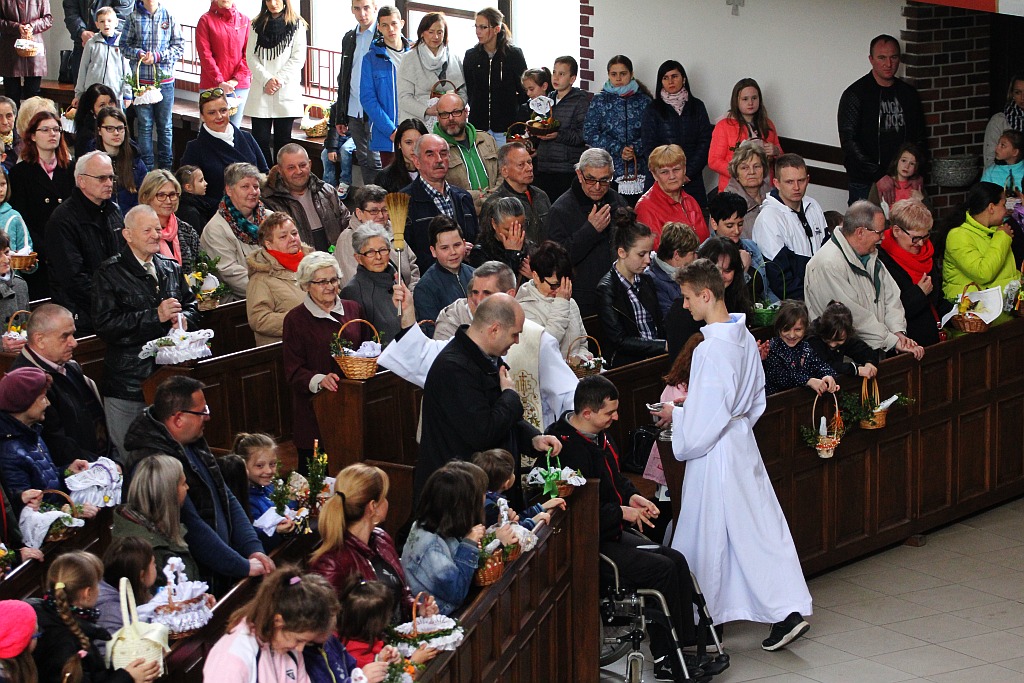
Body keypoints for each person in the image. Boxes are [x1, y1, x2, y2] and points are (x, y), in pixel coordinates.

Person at [654, 259, 812, 651]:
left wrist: (680, 415)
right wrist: (729, 421)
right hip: (741, 442)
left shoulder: (710, 350)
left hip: (716, 454)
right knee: (756, 530)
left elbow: (706, 419)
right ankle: (782, 611)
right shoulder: (742, 336)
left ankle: (705, 625)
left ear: (706, 295)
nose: (685, 306)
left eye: (689, 298)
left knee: (707, 536)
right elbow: (755, 399)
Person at [549, 375, 699, 681]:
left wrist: (632, 496)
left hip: (613, 530)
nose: (616, 418)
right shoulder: (564, 447)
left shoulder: (600, 436)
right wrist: (622, 512)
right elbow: (578, 509)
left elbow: (615, 478)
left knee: (676, 559)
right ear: (587, 413)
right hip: (592, 543)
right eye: (610, 412)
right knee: (661, 570)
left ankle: (686, 647)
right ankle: (665, 659)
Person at [383, 261, 576, 435]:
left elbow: (567, 395)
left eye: (487, 294)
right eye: (474, 293)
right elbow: (420, 355)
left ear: (509, 295)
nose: (477, 301)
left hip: (522, 454)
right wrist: (408, 313)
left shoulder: (537, 340)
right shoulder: (462, 342)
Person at [122, 376, 274, 592]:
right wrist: (241, 565)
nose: (208, 416)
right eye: (202, 411)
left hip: (222, 568)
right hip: (193, 581)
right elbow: (190, 526)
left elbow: (225, 495)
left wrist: (252, 548)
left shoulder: (191, 439)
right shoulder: (153, 461)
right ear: (178, 419)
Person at [417, 293, 561, 497]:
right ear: (494, 329)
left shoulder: (487, 358)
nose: (517, 341)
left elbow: (505, 419)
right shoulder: (454, 369)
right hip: (459, 495)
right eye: (514, 334)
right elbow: (483, 432)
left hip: (486, 486)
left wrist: (533, 438)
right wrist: (510, 395)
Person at [93, 204, 199, 459]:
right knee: (134, 458)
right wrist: (156, 316)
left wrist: (183, 318)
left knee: (175, 457)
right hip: (129, 383)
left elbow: (193, 306)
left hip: (169, 381)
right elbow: (106, 326)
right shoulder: (109, 274)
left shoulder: (170, 267)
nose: (156, 235)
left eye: (158, 229)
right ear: (127, 235)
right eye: (148, 230)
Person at [310, 463, 436, 622]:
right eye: (384, 497)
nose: (387, 502)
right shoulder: (331, 563)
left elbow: (401, 594)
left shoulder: (381, 538)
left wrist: (417, 609)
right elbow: (325, 626)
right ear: (372, 506)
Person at [282, 252, 369, 473]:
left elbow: (368, 346)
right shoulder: (295, 320)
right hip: (316, 413)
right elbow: (293, 370)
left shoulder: (353, 309)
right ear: (306, 285)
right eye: (321, 282)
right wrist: (320, 380)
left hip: (352, 407)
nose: (329, 286)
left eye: (333, 280)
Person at [805, 200, 923, 359]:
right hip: (843, 362)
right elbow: (853, 317)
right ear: (860, 232)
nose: (882, 238)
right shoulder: (827, 264)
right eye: (879, 232)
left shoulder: (871, 256)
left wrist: (898, 332)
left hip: (875, 353)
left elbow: (891, 297)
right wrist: (891, 341)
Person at [31, 551, 161, 683]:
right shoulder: (65, 643)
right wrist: (128, 677)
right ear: (87, 593)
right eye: (98, 584)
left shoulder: (44, 616)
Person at [402, 461, 515, 613]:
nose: (485, 498)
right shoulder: (430, 544)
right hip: (444, 618)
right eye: (482, 493)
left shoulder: (443, 524)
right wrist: (470, 544)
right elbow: (457, 592)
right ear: (463, 506)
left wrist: (496, 534)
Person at [9, 303, 112, 468]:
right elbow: (55, 443)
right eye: (65, 336)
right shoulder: (27, 382)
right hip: (75, 473)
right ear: (40, 340)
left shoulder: (68, 366)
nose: (74, 343)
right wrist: (100, 465)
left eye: (73, 335)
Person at [203, 567, 338, 682]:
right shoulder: (232, 660)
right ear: (278, 622)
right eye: (299, 640)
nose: (300, 649)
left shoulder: (287, 645)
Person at [838, 34, 927, 205]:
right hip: (866, 181)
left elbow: (920, 138)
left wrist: (917, 172)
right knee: (865, 228)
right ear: (871, 59)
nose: (888, 64)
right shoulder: (855, 94)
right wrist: (878, 174)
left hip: (905, 178)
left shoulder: (908, 94)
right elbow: (849, 140)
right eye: (882, 58)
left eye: (893, 57)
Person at [47, 150, 125, 335]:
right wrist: (110, 300)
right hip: (82, 315)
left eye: (111, 178)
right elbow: (73, 278)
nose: (109, 183)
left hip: (115, 309)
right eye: (101, 178)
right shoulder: (62, 220)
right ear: (81, 181)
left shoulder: (113, 211)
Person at [0, 366, 96, 514]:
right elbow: (27, 509)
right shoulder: (9, 452)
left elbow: (44, 480)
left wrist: (67, 471)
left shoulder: (31, 431)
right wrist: (70, 512)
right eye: (42, 398)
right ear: (24, 403)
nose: (48, 403)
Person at [546, 147, 628, 317]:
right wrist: (590, 231)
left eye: (605, 180)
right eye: (591, 179)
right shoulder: (560, 210)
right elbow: (555, 261)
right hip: (583, 301)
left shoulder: (617, 200)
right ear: (579, 175)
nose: (598, 187)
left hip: (619, 293)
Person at [8, 109, 73, 299]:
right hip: (39, 253)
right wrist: (45, 248)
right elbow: (22, 217)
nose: (52, 134)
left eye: (56, 129)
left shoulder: (70, 169)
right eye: (45, 130)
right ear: (33, 136)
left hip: (67, 248)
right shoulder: (20, 173)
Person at [111, 456, 201, 584]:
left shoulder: (161, 530)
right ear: (169, 493)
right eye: (183, 483)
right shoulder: (142, 551)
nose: (187, 487)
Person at [751, 154, 828, 301]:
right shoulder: (768, 218)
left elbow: (828, 255)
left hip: (821, 295)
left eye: (801, 180)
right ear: (777, 183)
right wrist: (813, 301)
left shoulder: (813, 206)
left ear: (808, 180)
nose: (796, 187)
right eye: (789, 182)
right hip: (791, 304)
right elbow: (780, 281)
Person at [596, 209, 666, 368]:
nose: (648, 260)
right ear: (622, 252)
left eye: (649, 253)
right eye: (641, 254)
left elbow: (659, 323)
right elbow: (619, 341)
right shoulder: (607, 289)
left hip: (657, 357)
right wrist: (663, 346)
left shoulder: (646, 280)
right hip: (629, 365)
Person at [877, 198, 952, 346]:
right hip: (905, 345)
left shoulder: (927, 254)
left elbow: (937, 300)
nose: (921, 243)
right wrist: (919, 293)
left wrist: (956, 314)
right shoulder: (882, 260)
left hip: (933, 340)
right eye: (916, 238)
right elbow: (886, 311)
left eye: (925, 236)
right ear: (897, 231)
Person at [639, 59, 713, 208]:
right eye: (665, 78)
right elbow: (649, 146)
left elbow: (705, 142)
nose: (670, 81)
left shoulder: (697, 106)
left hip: (691, 179)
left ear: (683, 79)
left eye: (674, 76)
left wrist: (686, 173)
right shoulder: (652, 109)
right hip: (660, 179)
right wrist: (667, 174)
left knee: (694, 225)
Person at [120, 0, 182, 170]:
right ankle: (146, 170)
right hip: (141, 83)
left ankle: (166, 169)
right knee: (145, 126)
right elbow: (124, 45)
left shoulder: (169, 17)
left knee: (165, 126)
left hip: (165, 82)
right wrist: (138, 53)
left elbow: (179, 47)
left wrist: (158, 56)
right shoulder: (133, 17)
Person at [402, 133, 479, 270]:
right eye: (430, 154)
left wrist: (471, 253)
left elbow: (478, 242)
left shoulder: (463, 198)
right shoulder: (404, 202)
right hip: (428, 283)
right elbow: (406, 256)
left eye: (443, 153)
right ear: (416, 161)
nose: (439, 160)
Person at [244, 0, 307, 166]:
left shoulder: (297, 24)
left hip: (285, 90)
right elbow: (250, 56)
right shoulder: (256, 24)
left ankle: (283, 181)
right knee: (260, 140)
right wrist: (266, 79)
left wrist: (277, 80)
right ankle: (266, 179)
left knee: (283, 142)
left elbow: (298, 58)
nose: (273, 3)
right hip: (261, 88)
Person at [181, 87, 269, 202]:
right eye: (212, 113)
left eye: (223, 110)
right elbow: (189, 191)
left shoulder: (247, 138)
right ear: (202, 116)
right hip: (218, 211)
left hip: (255, 205)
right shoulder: (195, 148)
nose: (219, 116)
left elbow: (264, 173)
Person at [583, 55, 653, 198]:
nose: (618, 78)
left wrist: (634, 149)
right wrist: (618, 148)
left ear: (631, 74)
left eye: (623, 74)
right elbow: (589, 132)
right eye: (614, 74)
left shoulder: (645, 101)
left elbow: (652, 132)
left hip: (640, 168)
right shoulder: (599, 100)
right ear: (608, 75)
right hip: (607, 168)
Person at [262, 144, 350, 253]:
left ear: (310, 164)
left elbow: (347, 225)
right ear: (280, 170)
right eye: (291, 167)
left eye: (302, 165)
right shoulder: (268, 201)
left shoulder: (328, 191)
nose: (298, 171)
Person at [200, 162, 268, 300]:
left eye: (256, 186)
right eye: (245, 186)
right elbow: (230, 274)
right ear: (229, 190)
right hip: (241, 303)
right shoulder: (216, 229)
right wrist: (273, 289)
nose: (253, 192)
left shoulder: (271, 219)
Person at [335, 579, 432, 674]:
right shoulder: (358, 658)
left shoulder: (360, 636)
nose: (390, 616)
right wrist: (414, 662)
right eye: (387, 613)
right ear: (375, 623)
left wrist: (381, 658)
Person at [942, 181, 1017, 300]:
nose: (1006, 211)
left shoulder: (994, 232)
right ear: (991, 207)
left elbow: (1005, 273)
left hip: (1001, 311)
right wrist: (1002, 237)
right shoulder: (958, 236)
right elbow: (983, 274)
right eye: (1003, 205)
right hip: (974, 312)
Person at [246, 212, 312, 345]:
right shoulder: (260, 279)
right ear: (269, 244)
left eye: (294, 233)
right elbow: (259, 320)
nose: (292, 238)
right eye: (283, 236)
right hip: (286, 350)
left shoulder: (314, 264)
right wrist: (302, 320)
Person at [334, 184, 419, 288]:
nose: (381, 216)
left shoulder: (392, 227)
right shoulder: (347, 240)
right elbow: (355, 285)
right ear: (359, 213)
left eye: (384, 209)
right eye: (373, 211)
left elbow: (412, 266)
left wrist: (412, 294)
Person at [463, 7, 526, 145]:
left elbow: (524, 90)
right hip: (479, 126)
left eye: (483, 27)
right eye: (476, 26)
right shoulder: (471, 56)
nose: (478, 31)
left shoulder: (513, 55)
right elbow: (469, 89)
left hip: (506, 128)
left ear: (497, 29)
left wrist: (519, 121)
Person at [709, 78, 783, 193]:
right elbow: (714, 161)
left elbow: (782, 158)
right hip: (732, 190)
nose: (750, 103)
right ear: (736, 101)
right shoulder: (724, 126)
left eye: (754, 98)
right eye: (745, 99)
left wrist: (776, 152)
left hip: (764, 189)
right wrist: (740, 173)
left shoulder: (768, 124)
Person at [336, 0, 382, 184]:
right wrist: (340, 115)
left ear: (375, 8)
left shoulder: (382, 35)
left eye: (366, 8)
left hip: (376, 108)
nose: (362, 13)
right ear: (352, 9)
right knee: (363, 157)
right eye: (357, 8)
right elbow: (343, 77)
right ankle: (372, 200)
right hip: (353, 107)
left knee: (377, 158)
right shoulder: (349, 37)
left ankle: (384, 202)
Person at [359, 5, 410, 169]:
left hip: (415, 132)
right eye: (385, 25)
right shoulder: (370, 58)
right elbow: (368, 99)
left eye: (394, 24)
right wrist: (391, 131)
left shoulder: (415, 53)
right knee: (394, 189)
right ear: (379, 27)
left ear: (402, 23)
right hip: (387, 137)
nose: (391, 29)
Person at [515, 240, 586, 357]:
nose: (560, 290)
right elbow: (544, 347)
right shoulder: (523, 309)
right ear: (536, 276)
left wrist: (583, 360)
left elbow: (582, 343)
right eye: (554, 285)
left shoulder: (570, 302)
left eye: (564, 284)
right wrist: (561, 304)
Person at [532, 56, 588, 203]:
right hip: (544, 166)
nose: (556, 77)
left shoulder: (580, 101)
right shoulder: (547, 100)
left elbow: (583, 135)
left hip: (565, 168)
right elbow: (539, 124)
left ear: (572, 78)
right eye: (554, 72)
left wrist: (558, 135)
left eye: (561, 74)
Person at [396, 11, 465, 126]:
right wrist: (428, 110)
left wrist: (453, 109)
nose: (436, 37)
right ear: (422, 33)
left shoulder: (454, 58)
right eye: (431, 32)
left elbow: (463, 91)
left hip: (450, 122)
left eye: (440, 32)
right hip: (417, 124)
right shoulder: (408, 59)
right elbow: (404, 98)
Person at [634, 143, 709, 245]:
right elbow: (655, 250)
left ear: (684, 169)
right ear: (654, 175)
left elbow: (706, 240)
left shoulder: (690, 200)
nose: (672, 176)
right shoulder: (645, 207)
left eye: (676, 169)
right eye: (664, 172)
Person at [762, 300, 841, 396]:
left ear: (805, 328)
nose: (791, 335)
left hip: (801, 401)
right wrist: (808, 381)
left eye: (798, 330)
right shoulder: (773, 348)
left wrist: (827, 375)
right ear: (779, 328)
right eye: (786, 329)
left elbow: (819, 365)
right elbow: (779, 376)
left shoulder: (806, 347)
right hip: (776, 403)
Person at [474, 448, 563, 530]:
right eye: (513, 473)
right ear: (507, 483)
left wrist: (542, 507)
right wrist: (533, 521)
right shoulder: (491, 508)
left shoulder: (488, 497)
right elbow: (512, 531)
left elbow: (517, 518)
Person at [340, 223, 403, 341]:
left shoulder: (397, 280)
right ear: (358, 258)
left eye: (382, 250)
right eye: (370, 252)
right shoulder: (352, 292)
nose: (378, 257)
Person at [233, 433, 295, 550]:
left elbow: (287, 506)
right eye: (260, 466)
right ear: (243, 466)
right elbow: (253, 543)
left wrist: (293, 502)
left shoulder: (271, 487)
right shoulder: (243, 500)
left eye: (272, 464)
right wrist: (276, 532)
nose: (269, 470)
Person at [709, 191, 774, 302]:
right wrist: (743, 269)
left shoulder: (751, 247)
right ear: (714, 223)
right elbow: (720, 298)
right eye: (729, 226)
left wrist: (777, 307)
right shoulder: (706, 254)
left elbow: (766, 290)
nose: (736, 231)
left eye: (740, 224)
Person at [432, 92, 499, 199]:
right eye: (444, 114)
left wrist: (494, 196)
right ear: (438, 117)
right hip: (460, 211)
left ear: (466, 112)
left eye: (456, 112)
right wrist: (477, 197)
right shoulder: (433, 149)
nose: (451, 118)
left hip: (495, 206)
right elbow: (437, 187)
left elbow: (503, 172)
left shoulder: (486, 139)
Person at [196, 0, 251, 128]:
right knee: (209, 130)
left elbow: (249, 54)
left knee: (233, 130)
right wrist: (219, 81)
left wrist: (235, 80)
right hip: (211, 84)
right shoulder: (205, 20)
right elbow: (205, 55)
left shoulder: (245, 21)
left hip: (239, 86)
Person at [412, 215, 473, 332]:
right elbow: (432, 333)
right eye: (445, 248)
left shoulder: (475, 275)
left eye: (457, 245)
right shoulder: (425, 288)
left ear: (464, 244)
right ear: (433, 251)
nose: (453, 252)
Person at [96, 536, 161, 638]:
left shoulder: (131, 594)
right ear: (142, 576)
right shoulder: (113, 615)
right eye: (153, 563)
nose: (156, 566)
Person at [86, 106, 145, 213]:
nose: (116, 133)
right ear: (99, 130)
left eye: (120, 128)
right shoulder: (89, 162)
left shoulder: (135, 161)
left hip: (131, 220)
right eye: (109, 128)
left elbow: (144, 195)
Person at [139, 169, 200, 272]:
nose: (168, 201)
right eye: (161, 195)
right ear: (146, 197)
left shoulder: (188, 232)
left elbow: (200, 267)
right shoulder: (137, 233)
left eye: (172, 195)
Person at [489, 141, 550, 244]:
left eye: (529, 162)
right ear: (504, 171)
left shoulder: (541, 195)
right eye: (521, 165)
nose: (529, 168)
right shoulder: (494, 204)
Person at [73, 6, 131, 110]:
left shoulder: (122, 44)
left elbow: (127, 71)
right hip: (93, 93)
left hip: (115, 94)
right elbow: (83, 68)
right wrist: (79, 94)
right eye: (102, 21)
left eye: (109, 20)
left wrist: (127, 94)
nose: (106, 24)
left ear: (116, 22)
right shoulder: (91, 43)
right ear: (97, 24)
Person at [806, 301, 880, 380]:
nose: (833, 345)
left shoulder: (844, 335)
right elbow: (825, 365)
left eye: (839, 340)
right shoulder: (812, 339)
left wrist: (869, 362)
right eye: (827, 339)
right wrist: (855, 370)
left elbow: (862, 350)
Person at [63, 0, 131, 83]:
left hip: (113, 45)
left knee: (114, 88)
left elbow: (123, 14)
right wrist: (82, 32)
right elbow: (71, 12)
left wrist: (99, 37)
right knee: (82, 90)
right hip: (82, 45)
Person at [0, 0, 50, 104]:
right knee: (11, 95)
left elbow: (48, 19)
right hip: (10, 50)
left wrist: (32, 26)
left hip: (34, 49)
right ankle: (12, 120)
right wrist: (16, 27)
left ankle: (32, 120)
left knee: (33, 96)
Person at [469, 195, 532, 276]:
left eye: (520, 227)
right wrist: (512, 253)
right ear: (494, 224)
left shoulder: (530, 248)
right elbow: (499, 284)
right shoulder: (480, 253)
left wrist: (534, 278)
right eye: (508, 229)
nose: (515, 234)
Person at [647, 221, 699, 318]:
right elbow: (672, 320)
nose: (696, 257)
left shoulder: (687, 271)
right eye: (693, 252)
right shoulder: (653, 282)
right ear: (677, 255)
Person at [725, 139, 772, 237]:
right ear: (736, 174)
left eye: (757, 166)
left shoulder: (774, 198)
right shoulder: (725, 203)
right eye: (744, 168)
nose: (751, 172)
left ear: (764, 170)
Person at [868, 142, 928, 214]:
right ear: (897, 161)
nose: (906, 166)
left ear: (916, 168)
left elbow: (929, 214)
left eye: (912, 163)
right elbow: (870, 212)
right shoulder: (882, 184)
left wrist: (922, 200)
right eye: (903, 160)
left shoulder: (916, 186)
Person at [374, 117, 427, 193]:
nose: (414, 148)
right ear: (399, 144)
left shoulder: (433, 173)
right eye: (408, 142)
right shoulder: (385, 177)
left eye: (419, 142)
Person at [984, 75, 1024, 166]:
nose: (1022, 97)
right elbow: (990, 159)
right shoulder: (999, 121)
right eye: (1018, 92)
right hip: (1004, 177)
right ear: (1012, 94)